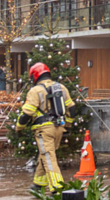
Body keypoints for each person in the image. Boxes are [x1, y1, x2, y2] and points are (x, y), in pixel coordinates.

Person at [17, 62, 76, 192]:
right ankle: (38, 183)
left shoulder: (35, 91)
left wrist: (18, 128)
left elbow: (27, 113)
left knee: (48, 156)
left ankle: (57, 187)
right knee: (45, 154)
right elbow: (72, 108)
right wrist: (68, 125)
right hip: (59, 128)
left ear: (35, 76)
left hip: (44, 130)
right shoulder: (61, 87)